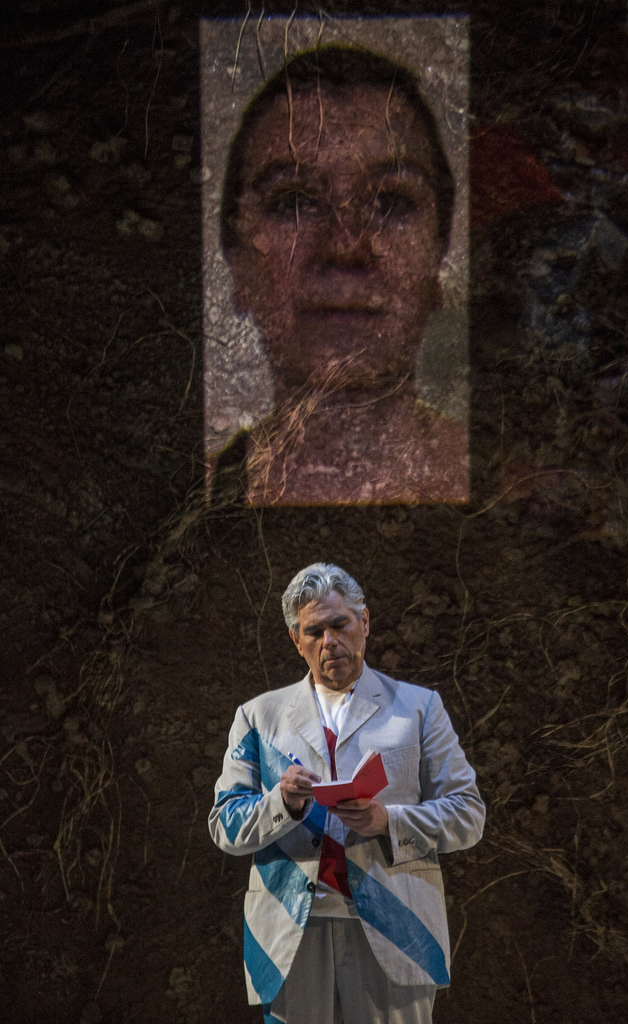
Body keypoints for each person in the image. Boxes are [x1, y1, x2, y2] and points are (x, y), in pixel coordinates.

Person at [209, 563, 485, 1024]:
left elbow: (468, 814)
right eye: (314, 631)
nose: (329, 641)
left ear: (365, 622)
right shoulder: (258, 717)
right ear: (296, 640)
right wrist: (282, 803)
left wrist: (389, 821)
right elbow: (224, 825)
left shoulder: (418, 709)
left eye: (340, 625)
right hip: (290, 933)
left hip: (398, 927)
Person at [216, 46, 468, 505]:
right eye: (294, 202)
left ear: (440, 258)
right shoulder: (184, 499)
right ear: (238, 266)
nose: (345, 246)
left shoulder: (513, 489)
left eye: (391, 202)